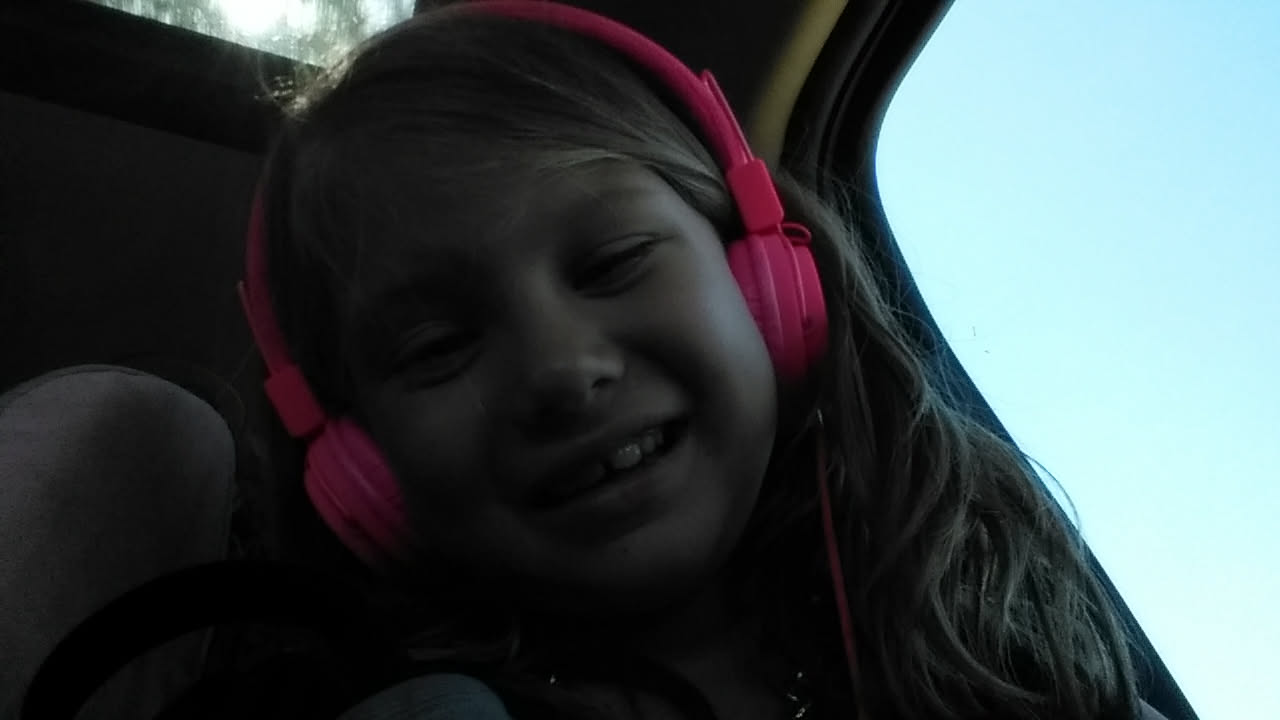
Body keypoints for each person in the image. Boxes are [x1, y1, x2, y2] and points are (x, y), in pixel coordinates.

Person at [237, 1, 1165, 718]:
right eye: (437, 347)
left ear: (765, 284)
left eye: (613, 263)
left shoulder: (993, 631)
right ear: (357, 472)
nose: (562, 369)